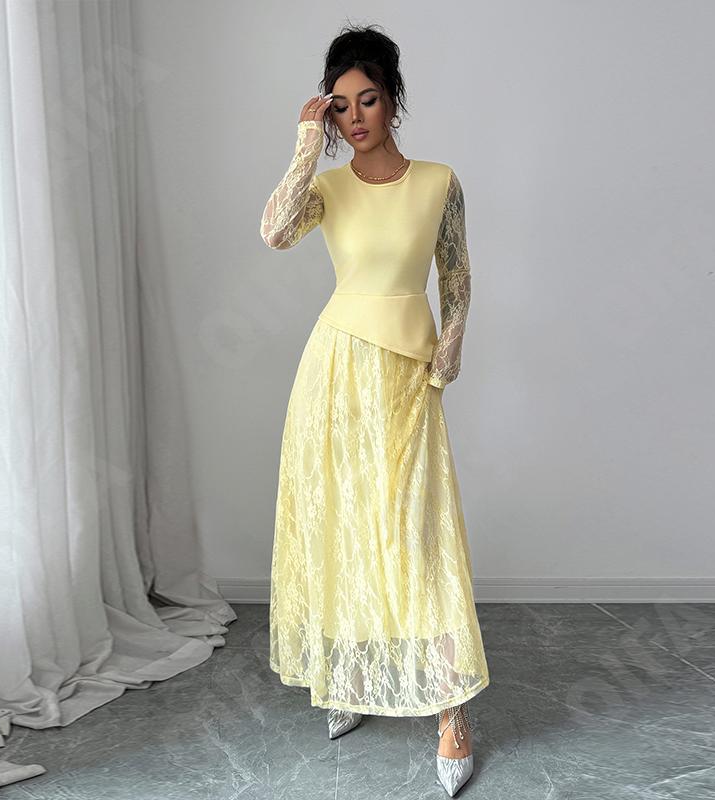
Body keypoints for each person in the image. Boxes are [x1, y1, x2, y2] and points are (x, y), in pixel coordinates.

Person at [260, 24, 489, 797]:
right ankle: (352, 675)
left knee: (419, 534)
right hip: (335, 374)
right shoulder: (328, 188)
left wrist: (450, 344)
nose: (355, 117)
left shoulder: (439, 182)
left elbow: (456, 276)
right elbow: (274, 232)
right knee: (346, 525)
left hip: (408, 378)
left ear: (393, 100)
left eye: (368, 100)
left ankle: (453, 713)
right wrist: (304, 143)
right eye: (340, 106)